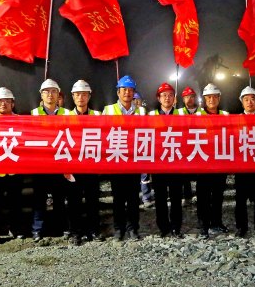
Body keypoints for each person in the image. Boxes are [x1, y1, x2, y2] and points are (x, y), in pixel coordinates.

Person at [102, 75, 145, 240]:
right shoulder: (108, 110)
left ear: (134, 92)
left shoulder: (141, 111)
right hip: (116, 161)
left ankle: (133, 228)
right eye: (124, 90)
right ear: (118, 92)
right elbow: (103, 135)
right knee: (118, 199)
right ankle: (119, 229)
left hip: (134, 161)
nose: (127, 93)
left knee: (134, 199)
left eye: (130, 90)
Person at [30, 79, 70, 241]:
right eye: (46, 91)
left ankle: (60, 227)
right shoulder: (33, 113)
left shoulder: (67, 114)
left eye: (53, 91)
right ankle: (37, 230)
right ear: (41, 94)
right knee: (39, 200)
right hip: (41, 165)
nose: (50, 94)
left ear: (58, 94)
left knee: (60, 198)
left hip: (60, 163)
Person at [0, 87, 25, 245]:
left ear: (12, 103)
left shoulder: (21, 120)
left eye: (7, 101)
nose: (3, 104)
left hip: (15, 169)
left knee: (15, 201)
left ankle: (15, 228)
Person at [66, 79, 102, 245]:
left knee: (93, 200)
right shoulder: (66, 117)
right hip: (73, 167)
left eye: (84, 94)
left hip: (92, 166)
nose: (81, 97)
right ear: (73, 97)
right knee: (74, 202)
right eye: (78, 94)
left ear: (89, 96)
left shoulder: (98, 116)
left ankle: (94, 230)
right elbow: (62, 142)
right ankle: (75, 232)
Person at [148, 83, 184, 237]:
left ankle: (176, 227)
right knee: (160, 198)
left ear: (174, 98)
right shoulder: (150, 116)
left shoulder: (182, 115)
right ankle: (163, 227)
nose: (167, 98)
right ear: (158, 98)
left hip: (176, 164)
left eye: (170, 95)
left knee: (176, 198)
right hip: (158, 164)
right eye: (164, 95)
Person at [195, 83, 229, 237]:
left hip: (220, 163)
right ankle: (204, 225)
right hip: (203, 163)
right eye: (209, 97)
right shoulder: (197, 116)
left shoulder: (226, 115)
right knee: (203, 196)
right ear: (204, 99)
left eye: (214, 97)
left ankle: (216, 222)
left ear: (219, 98)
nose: (212, 100)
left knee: (217, 196)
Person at [234, 86, 255, 237]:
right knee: (240, 199)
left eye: (252, 99)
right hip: (241, 166)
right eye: (246, 100)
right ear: (242, 103)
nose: (249, 102)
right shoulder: (235, 121)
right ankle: (242, 227)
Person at [175, 86, 200, 206]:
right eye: (186, 97)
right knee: (184, 174)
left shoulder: (202, 111)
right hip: (184, 146)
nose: (189, 99)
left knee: (201, 174)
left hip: (199, 145)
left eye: (191, 97)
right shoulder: (178, 112)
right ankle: (187, 196)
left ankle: (201, 196)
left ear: (195, 98)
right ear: (183, 99)